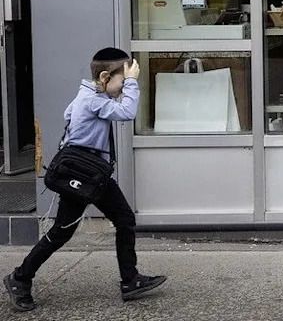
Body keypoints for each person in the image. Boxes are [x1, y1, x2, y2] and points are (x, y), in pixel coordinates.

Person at [4, 48, 166, 312]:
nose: (123, 88)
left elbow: (68, 115)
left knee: (122, 220)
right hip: (84, 173)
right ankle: (19, 278)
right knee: (62, 232)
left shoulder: (88, 95)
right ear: (104, 77)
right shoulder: (93, 100)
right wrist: (134, 83)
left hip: (92, 172)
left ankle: (130, 280)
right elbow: (126, 112)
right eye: (121, 82)